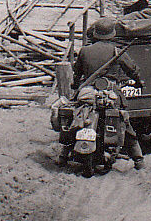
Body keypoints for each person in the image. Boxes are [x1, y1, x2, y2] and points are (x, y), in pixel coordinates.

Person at [61, 16, 145, 169]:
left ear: (96, 33)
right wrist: (139, 82)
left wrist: (75, 85)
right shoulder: (117, 51)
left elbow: (77, 73)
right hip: (111, 93)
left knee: (77, 119)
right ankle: (138, 160)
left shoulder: (85, 50)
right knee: (124, 122)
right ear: (112, 34)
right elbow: (133, 70)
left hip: (87, 92)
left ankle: (63, 156)